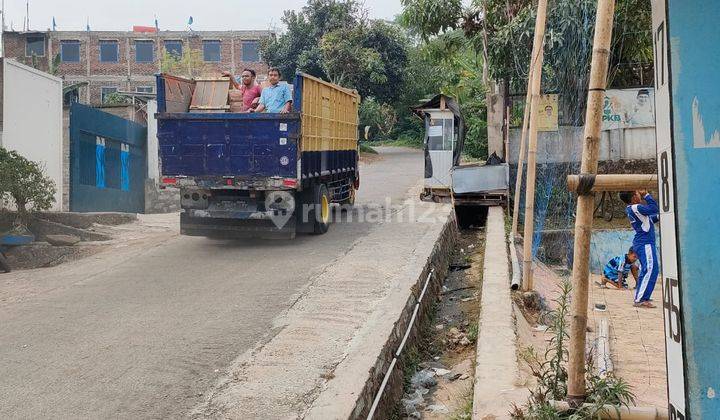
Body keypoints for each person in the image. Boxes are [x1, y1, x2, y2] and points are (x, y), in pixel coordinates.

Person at [619, 190, 660, 308]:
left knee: (647, 270)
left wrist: (660, 216)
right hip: (645, 243)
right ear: (633, 198)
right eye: (637, 194)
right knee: (651, 269)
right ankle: (641, 299)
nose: (639, 195)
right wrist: (646, 195)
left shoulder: (632, 209)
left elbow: (650, 219)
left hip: (642, 243)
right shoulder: (636, 207)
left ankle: (641, 296)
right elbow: (653, 208)